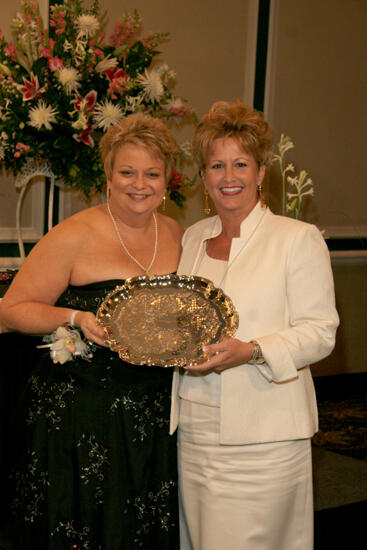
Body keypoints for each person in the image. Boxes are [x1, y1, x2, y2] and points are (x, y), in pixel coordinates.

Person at [0, 113, 183, 549]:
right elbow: (10, 312)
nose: (139, 184)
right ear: (108, 174)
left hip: (155, 413)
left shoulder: (177, 233)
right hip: (81, 414)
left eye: (152, 173)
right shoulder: (73, 234)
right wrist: (77, 318)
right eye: (127, 172)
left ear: (167, 179)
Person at [170, 100, 339, 550]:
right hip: (195, 425)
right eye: (217, 165)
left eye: (240, 164)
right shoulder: (193, 238)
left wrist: (253, 350)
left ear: (261, 172)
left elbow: (321, 331)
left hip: (265, 434)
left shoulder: (296, 239)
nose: (229, 177)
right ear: (203, 177)